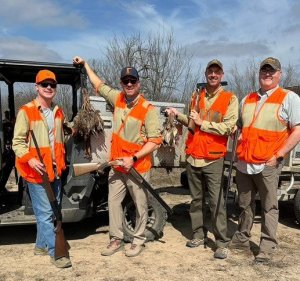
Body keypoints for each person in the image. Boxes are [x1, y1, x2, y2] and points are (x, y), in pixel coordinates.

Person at [73, 56, 163, 257]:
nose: (129, 84)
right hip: (117, 165)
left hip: (136, 167)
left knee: (140, 204)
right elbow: (99, 84)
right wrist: (86, 64)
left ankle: (138, 239)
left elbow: (155, 140)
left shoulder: (148, 110)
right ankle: (116, 238)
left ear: (138, 83)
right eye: (125, 81)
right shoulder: (117, 98)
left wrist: (135, 158)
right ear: (122, 84)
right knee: (113, 203)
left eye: (133, 81)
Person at [229, 57, 300, 263]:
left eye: (272, 71)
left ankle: (267, 246)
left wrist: (279, 155)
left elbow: (297, 130)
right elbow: (242, 126)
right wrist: (236, 131)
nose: (267, 74)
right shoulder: (247, 98)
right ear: (259, 73)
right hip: (244, 163)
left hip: (267, 163)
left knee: (269, 207)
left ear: (279, 74)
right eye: (264, 71)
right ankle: (242, 237)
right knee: (244, 203)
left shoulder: (289, 98)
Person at [166, 59, 238, 259]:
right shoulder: (196, 96)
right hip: (193, 157)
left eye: (217, 72)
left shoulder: (230, 99)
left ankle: (222, 242)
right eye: (210, 71)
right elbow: (192, 124)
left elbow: (228, 127)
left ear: (222, 75)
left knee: (216, 201)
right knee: (196, 200)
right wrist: (176, 115)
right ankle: (198, 234)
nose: (213, 75)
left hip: (213, 158)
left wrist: (203, 123)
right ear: (206, 73)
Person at [12, 69, 72, 268]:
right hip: (36, 172)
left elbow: (59, 139)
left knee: (50, 212)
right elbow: (17, 142)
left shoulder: (57, 111)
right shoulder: (26, 111)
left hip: (55, 170)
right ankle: (57, 253)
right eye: (44, 84)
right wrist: (29, 159)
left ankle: (40, 246)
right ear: (36, 87)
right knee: (46, 213)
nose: (49, 88)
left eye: (52, 85)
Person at [0, 110, 15, 194]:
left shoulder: (6, 124)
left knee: (8, 166)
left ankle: (2, 187)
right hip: (6, 150)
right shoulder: (6, 125)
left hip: (7, 150)